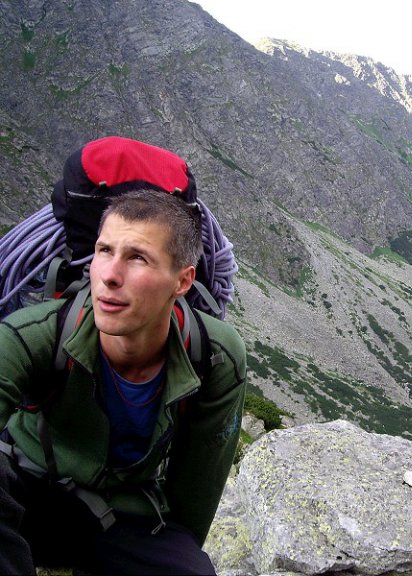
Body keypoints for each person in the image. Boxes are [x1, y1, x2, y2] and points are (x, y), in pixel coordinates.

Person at [0, 189, 247, 574]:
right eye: (104, 251)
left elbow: (194, 498)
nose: (109, 276)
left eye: (137, 258)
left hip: (118, 517)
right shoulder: (34, 334)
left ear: (182, 281)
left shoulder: (215, 356)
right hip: (24, 490)